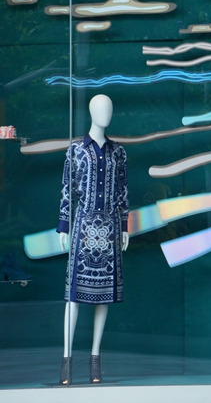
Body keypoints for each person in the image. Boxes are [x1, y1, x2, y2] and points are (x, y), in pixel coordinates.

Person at [56, 94, 128, 385]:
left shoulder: (118, 152)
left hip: (109, 227)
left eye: (109, 108)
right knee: (73, 294)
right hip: (83, 226)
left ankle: (96, 359)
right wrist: (63, 225)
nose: (105, 113)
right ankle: (66, 361)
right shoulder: (75, 149)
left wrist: (124, 226)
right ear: (90, 112)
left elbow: (122, 191)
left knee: (104, 294)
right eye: (100, 108)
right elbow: (67, 189)